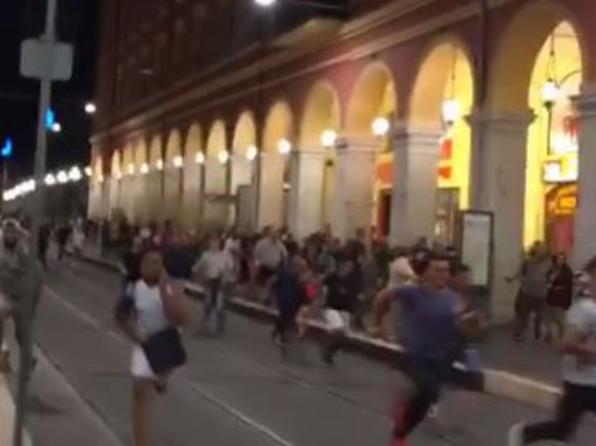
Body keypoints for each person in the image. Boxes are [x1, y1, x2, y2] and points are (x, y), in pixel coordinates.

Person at [373, 254, 461, 446]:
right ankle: (399, 434)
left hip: (440, 356)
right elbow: (382, 297)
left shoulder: (452, 298)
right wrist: (380, 324)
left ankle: (401, 427)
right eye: (438, 270)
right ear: (427, 272)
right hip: (415, 353)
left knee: (428, 400)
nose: (443, 274)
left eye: (446, 270)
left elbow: (458, 324)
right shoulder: (413, 292)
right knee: (427, 391)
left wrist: (470, 324)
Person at [508, 255, 596, 445]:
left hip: (586, 381)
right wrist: (590, 352)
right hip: (582, 383)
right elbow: (564, 344)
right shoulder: (585, 310)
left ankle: (526, 433)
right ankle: (525, 433)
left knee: (562, 429)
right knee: (562, 428)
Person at [115, 249, 190, 446]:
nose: (154, 266)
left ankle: (162, 377)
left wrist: (166, 290)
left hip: (167, 342)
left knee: (158, 377)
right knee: (141, 393)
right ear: (141, 266)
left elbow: (181, 318)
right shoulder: (133, 288)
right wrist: (136, 335)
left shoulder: (171, 288)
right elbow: (120, 317)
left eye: (158, 262)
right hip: (145, 343)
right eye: (149, 262)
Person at [0, 219, 43, 374]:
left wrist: (34, 301)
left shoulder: (24, 250)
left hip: (23, 298)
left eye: (13, 233)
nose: (9, 236)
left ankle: (28, 361)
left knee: (22, 333)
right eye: (7, 233)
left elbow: (37, 275)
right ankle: (2, 353)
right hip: (5, 294)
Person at [321, 253, 360, 365]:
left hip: (345, 310)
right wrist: (321, 299)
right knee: (339, 329)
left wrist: (353, 311)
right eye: (346, 266)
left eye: (350, 267)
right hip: (331, 308)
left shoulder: (352, 281)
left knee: (344, 337)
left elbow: (354, 296)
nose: (348, 269)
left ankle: (330, 351)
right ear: (341, 266)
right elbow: (322, 285)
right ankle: (326, 349)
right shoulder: (332, 277)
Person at [271, 242, 308, 356]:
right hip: (293, 294)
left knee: (284, 315)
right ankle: (282, 337)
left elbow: (276, 278)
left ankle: (280, 335)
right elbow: (304, 281)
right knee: (288, 316)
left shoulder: (284, 262)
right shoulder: (301, 264)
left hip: (284, 293)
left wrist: (273, 291)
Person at [193, 236, 235, 334]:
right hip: (209, 281)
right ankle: (203, 326)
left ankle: (220, 326)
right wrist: (198, 277)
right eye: (211, 243)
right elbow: (197, 267)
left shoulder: (225, 256)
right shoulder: (205, 255)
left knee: (219, 305)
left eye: (216, 243)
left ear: (220, 244)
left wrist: (227, 277)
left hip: (221, 283)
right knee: (208, 304)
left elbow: (230, 268)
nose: (213, 245)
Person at [511, 243, 550, 341]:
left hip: (541, 294)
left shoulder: (548, 264)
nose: (541, 252)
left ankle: (538, 333)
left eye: (543, 250)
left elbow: (551, 276)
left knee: (540, 315)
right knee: (523, 314)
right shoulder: (527, 262)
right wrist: (523, 280)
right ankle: (519, 333)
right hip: (527, 292)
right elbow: (520, 273)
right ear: (535, 251)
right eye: (539, 249)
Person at [544, 252, 574, 341]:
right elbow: (547, 279)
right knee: (549, 317)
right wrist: (549, 284)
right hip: (551, 297)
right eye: (558, 259)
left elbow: (569, 285)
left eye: (562, 259)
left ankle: (561, 336)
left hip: (561, 298)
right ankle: (549, 334)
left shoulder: (567, 271)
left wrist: (568, 299)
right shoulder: (551, 269)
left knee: (560, 319)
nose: (560, 261)